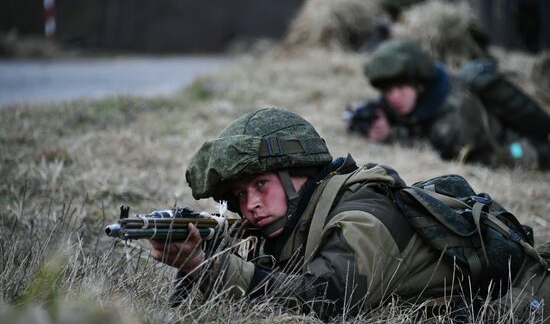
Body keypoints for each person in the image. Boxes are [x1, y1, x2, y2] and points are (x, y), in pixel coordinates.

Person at [149, 107, 549, 320]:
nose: (251, 203)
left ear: (299, 176)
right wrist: (202, 256)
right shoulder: (293, 221)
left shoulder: (362, 214)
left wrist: (212, 268)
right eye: (239, 194)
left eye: (260, 185)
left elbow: (329, 299)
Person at [351, 39, 550, 169]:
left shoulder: (454, 109)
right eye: (387, 91)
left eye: (400, 88)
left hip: (514, 150)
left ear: (419, 84)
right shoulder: (419, 96)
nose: (394, 97)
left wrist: (391, 134)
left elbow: (437, 151)